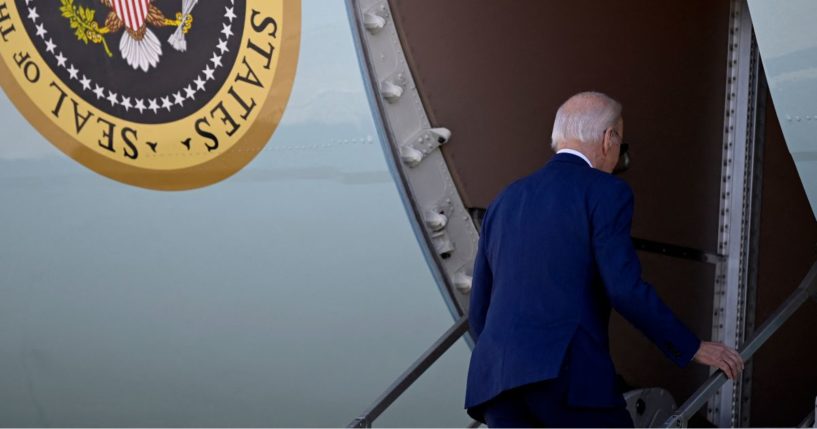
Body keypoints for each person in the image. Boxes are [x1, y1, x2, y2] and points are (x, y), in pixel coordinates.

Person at [464, 92, 744, 428]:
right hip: (566, 379)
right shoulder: (606, 191)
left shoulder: (506, 199)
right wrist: (690, 346)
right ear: (608, 139)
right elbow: (624, 288)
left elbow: (479, 308)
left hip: (496, 385)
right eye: (621, 147)